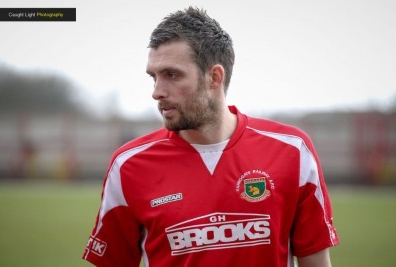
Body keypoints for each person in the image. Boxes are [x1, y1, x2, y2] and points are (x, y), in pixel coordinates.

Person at [83, 6, 339, 267]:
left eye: (172, 75)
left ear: (214, 77)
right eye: (154, 77)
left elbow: (315, 260)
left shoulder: (292, 151)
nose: (157, 92)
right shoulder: (128, 165)